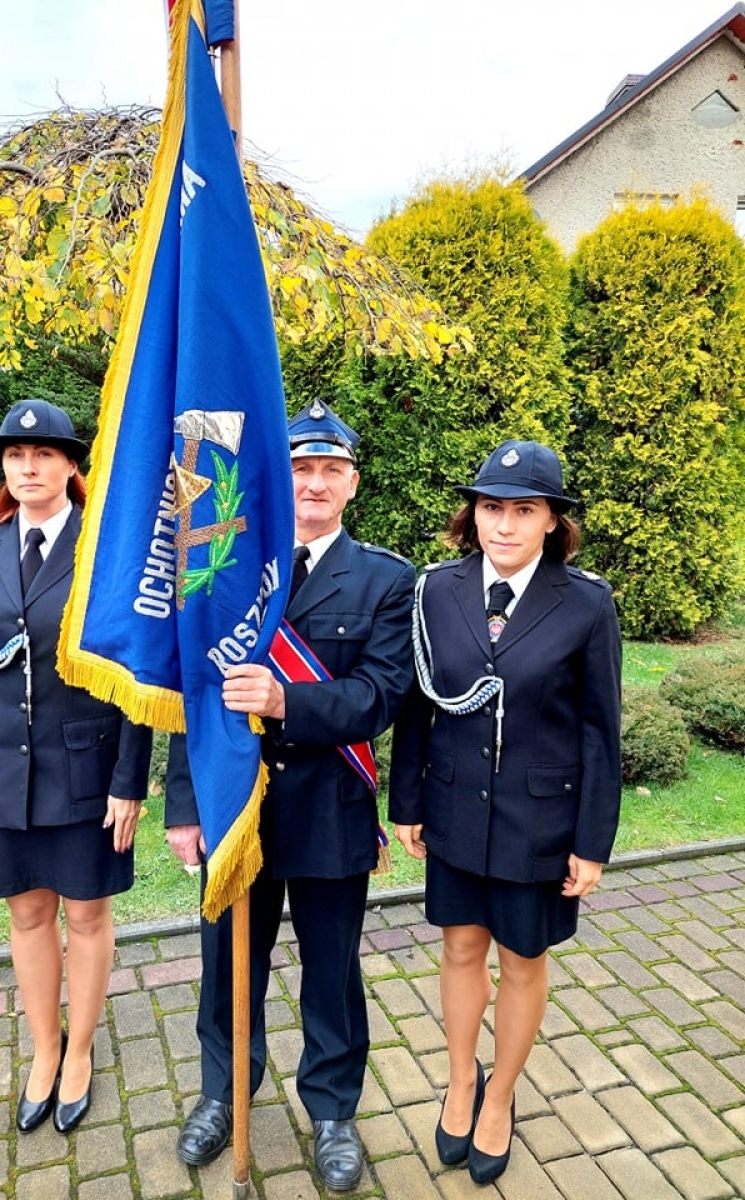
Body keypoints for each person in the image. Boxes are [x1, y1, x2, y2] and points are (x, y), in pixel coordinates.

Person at [164, 399, 415, 1192]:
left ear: (352, 484)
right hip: (235, 803)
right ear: (282, 477)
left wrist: (286, 703)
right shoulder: (227, 561)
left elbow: (381, 695)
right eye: (301, 468)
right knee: (224, 964)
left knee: (331, 968)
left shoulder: (385, 578)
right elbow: (192, 693)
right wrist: (183, 803)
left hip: (328, 805)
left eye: (330, 470)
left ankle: (333, 1109)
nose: (314, 483)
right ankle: (222, 1092)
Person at [389, 439, 621, 1187]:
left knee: (523, 960)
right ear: (473, 514)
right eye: (493, 507)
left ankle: (502, 1098)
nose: (505, 525)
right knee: (460, 949)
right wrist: (409, 803)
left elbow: (599, 729)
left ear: (553, 520)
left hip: (540, 822)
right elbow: (416, 707)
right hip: (455, 807)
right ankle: (462, 1080)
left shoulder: (585, 602)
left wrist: (592, 842)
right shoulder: (435, 591)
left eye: (525, 510)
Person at [0, 399, 152, 1136]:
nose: (27, 467)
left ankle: (82, 1052)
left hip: (85, 768)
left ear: (69, 465)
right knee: (27, 911)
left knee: (87, 913)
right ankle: (44, 1048)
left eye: (43, 454)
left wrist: (130, 780)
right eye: (14, 455)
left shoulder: (106, 550)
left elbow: (135, 673)